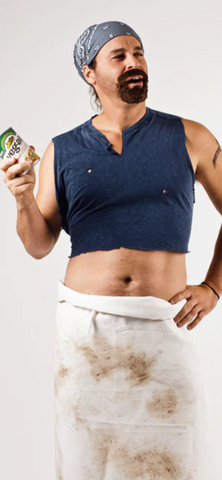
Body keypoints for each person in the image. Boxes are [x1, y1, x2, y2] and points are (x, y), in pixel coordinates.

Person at [1, 20, 222, 480]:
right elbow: (39, 245)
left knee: (174, 460)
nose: (134, 62)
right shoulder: (62, 151)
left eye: (138, 53)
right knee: (87, 461)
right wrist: (22, 199)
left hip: (164, 330)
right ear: (90, 73)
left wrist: (214, 287)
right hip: (85, 336)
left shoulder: (190, 136)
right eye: (118, 55)